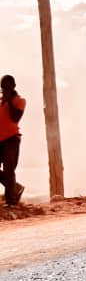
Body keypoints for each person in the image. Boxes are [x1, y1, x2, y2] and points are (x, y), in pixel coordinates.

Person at [0, 75, 26, 206]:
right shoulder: (0, 101)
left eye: (7, 87)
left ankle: (11, 201)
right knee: (8, 173)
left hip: (11, 139)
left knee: (9, 169)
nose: (4, 90)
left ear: (13, 86)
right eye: (2, 87)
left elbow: (15, 118)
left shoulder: (19, 101)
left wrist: (9, 101)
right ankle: (15, 188)